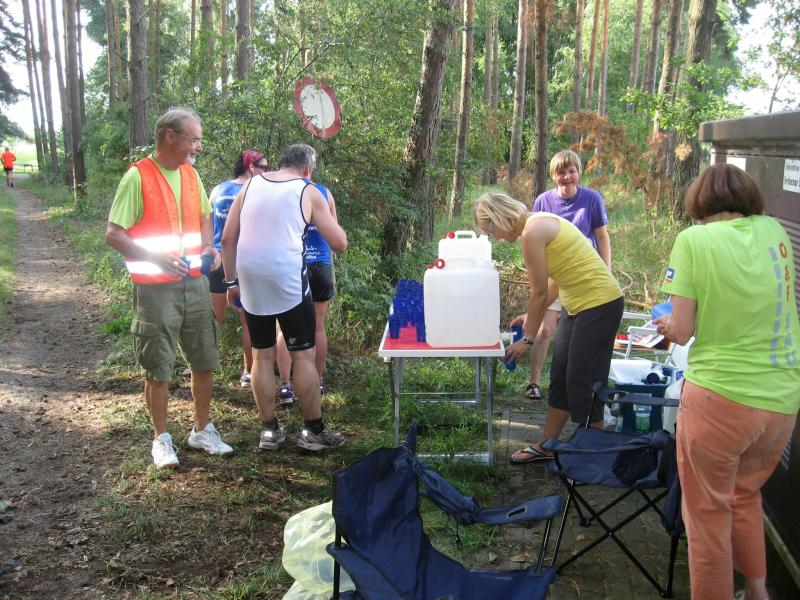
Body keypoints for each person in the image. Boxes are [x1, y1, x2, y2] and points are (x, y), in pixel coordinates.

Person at [655, 164, 799, 600]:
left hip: (720, 399)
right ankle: (757, 592)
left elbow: (682, 330)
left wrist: (666, 326)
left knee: (706, 518)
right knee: (744, 496)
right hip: (781, 401)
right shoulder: (775, 231)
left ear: (700, 204)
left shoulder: (693, 240)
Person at [105, 107, 233, 469]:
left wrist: (209, 246)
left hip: (195, 283)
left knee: (205, 360)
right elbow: (113, 234)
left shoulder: (191, 174)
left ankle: (202, 430)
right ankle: (161, 439)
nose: (199, 147)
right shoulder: (138, 176)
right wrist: (155, 258)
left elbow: (205, 215)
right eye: (194, 139)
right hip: (155, 289)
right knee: (158, 366)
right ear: (170, 136)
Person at [472, 193, 623, 464]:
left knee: (582, 381)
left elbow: (539, 292)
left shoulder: (533, 231)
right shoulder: (536, 224)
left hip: (600, 304)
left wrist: (528, 338)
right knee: (560, 377)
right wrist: (531, 316)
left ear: (498, 219)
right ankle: (547, 445)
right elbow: (553, 282)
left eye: (491, 231)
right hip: (577, 305)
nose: (496, 238)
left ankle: (596, 455)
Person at [221, 143, 347, 451]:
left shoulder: (251, 185)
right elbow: (339, 243)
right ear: (307, 169)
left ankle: (269, 430)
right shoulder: (308, 190)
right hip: (287, 276)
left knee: (262, 355)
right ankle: (313, 431)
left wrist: (231, 282)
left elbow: (227, 238)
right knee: (302, 354)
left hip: (250, 275)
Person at [518, 150, 611, 401]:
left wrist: (606, 270)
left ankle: (576, 386)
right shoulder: (543, 201)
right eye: (561, 172)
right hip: (553, 275)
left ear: (579, 173)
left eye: (572, 171)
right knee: (544, 330)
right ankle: (534, 383)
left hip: (581, 275)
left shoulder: (592, 199)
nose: (567, 177)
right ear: (553, 175)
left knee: (577, 334)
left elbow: (601, 236)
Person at [207, 150, 269, 388]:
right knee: (248, 321)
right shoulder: (255, 191)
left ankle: (203, 367)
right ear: (251, 167)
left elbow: (209, 223)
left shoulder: (217, 189)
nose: (267, 171)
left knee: (213, 319)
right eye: (264, 167)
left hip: (217, 260)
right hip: (244, 260)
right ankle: (248, 372)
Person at [275, 178, 340, 400]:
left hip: (292, 264)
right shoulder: (324, 193)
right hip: (319, 264)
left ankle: (286, 385)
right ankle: (317, 380)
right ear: (308, 168)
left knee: (284, 328)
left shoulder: (283, 192)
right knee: (318, 328)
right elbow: (334, 232)